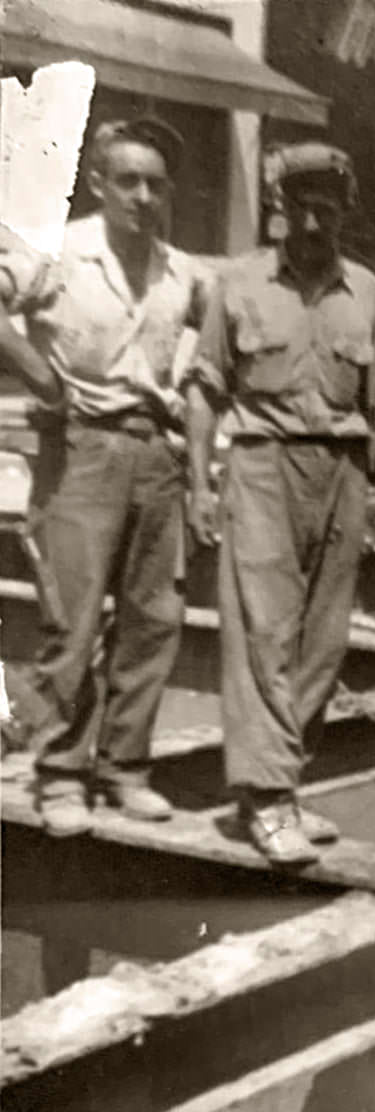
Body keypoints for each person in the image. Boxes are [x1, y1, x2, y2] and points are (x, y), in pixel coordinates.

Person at [186, 142, 375, 865]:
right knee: (264, 633)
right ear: (280, 207)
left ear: (345, 207)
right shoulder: (238, 285)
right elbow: (205, 387)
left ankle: (284, 785)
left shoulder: (366, 292)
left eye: (329, 203)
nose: (315, 218)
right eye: (302, 202)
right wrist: (199, 482)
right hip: (261, 465)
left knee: (324, 639)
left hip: (342, 471)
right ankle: (267, 796)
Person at [0, 118, 206, 836]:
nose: (143, 197)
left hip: (158, 455)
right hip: (81, 452)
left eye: (155, 184)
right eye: (128, 181)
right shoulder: (58, 253)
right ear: (99, 185)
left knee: (153, 621)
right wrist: (42, 382)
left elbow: (224, 340)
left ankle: (124, 769)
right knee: (73, 620)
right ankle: (59, 773)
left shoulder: (180, 271)